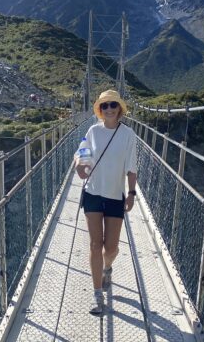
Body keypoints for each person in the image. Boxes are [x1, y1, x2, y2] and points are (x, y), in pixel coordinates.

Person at [75, 89, 138, 315]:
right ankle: (97, 295)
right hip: (93, 193)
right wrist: (80, 165)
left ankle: (107, 267)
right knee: (95, 244)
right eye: (104, 106)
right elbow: (82, 152)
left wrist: (131, 193)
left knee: (111, 248)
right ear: (100, 110)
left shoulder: (128, 135)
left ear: (119, 108)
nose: (109, 109)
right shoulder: (93, 130)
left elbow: (131, 167)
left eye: (113, 105)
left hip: (115, 195)